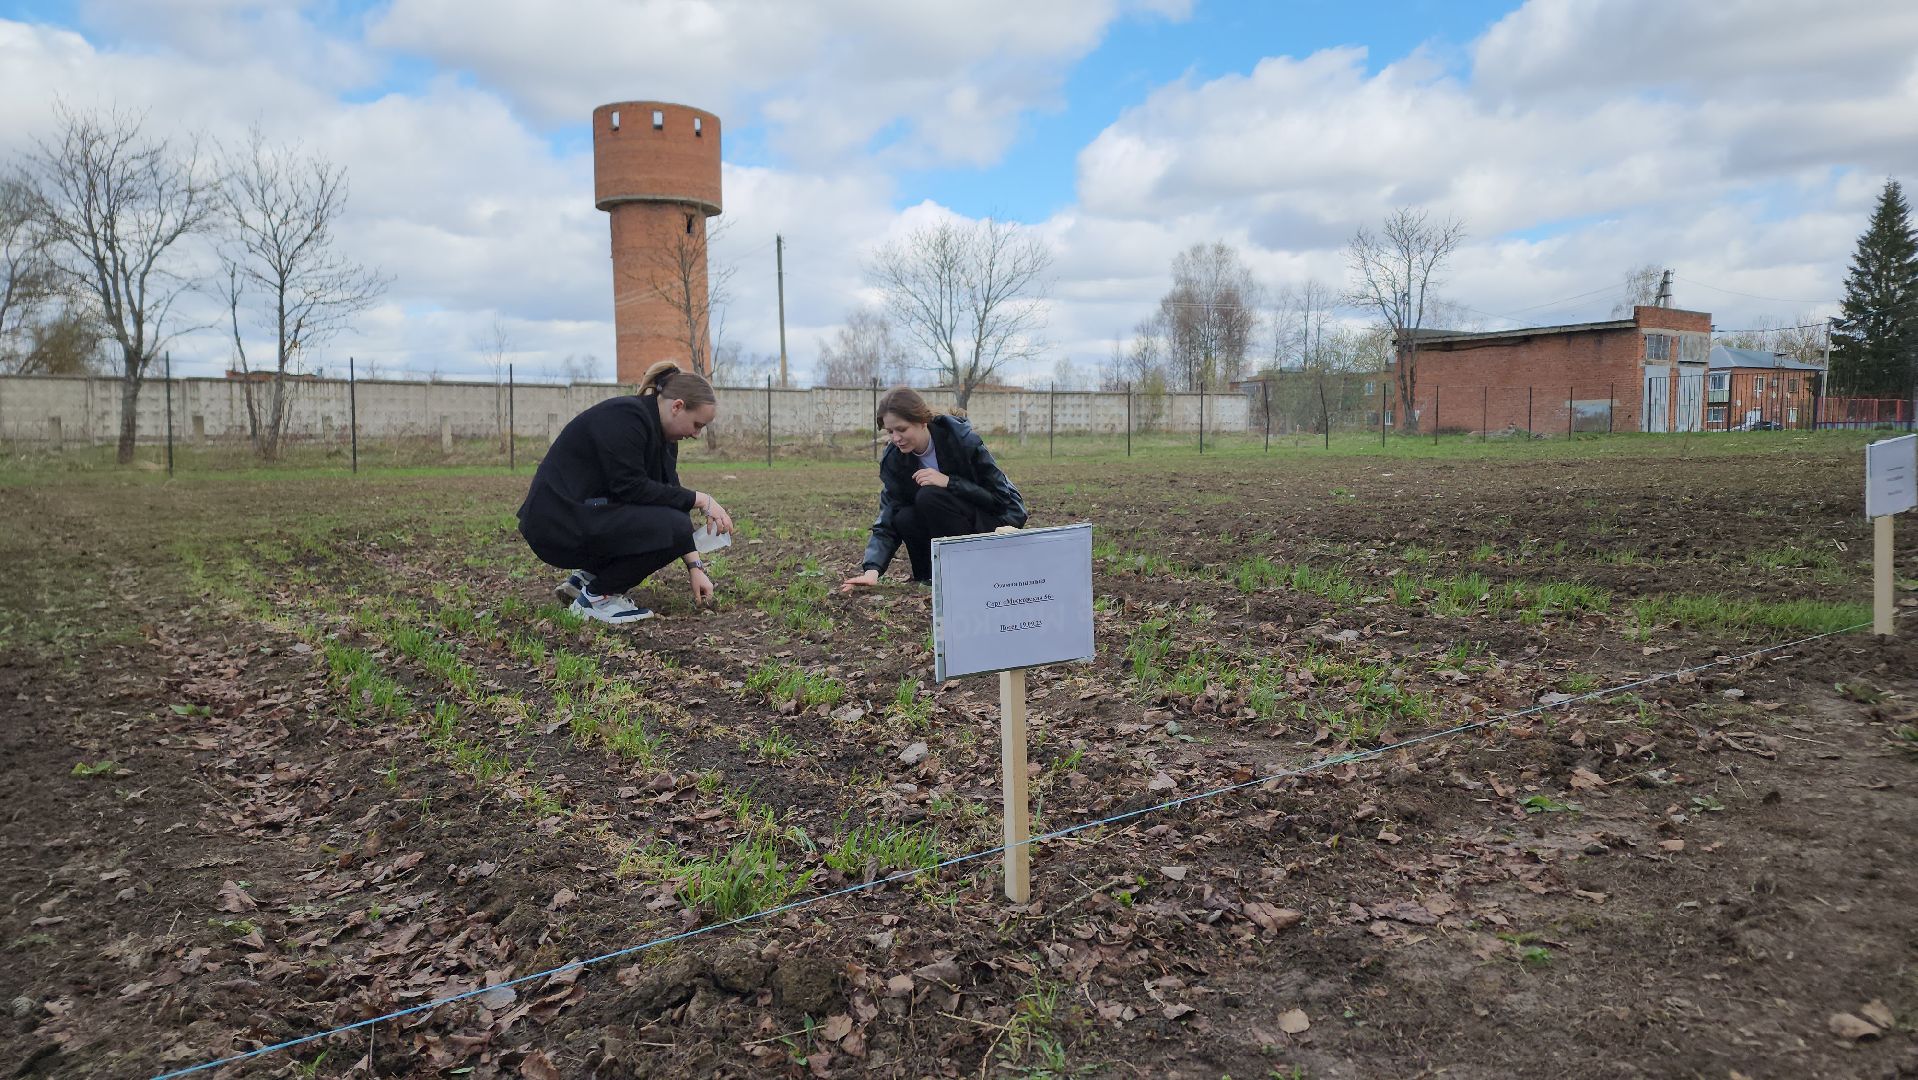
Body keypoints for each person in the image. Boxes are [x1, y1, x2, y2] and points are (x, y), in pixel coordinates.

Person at [517, 360, 734, 625]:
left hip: (578, 517)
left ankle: (586, 580)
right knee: (671, 524)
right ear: (677, 406)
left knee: (672, 520)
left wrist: (695, 567)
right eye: (697, 424)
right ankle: (598, 598)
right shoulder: (626, 417)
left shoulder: (662, 437)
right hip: (554, 525)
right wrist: (702, 499)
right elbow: (630, 487)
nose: (697, 434)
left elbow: (671, 501)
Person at [841, 386, 1027, 592]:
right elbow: (889, 515)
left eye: (902, 429)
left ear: (922, 421)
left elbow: (1000, 500)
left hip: (994, 520)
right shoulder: (894, 459)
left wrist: (950, 482)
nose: (895, 438)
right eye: (890, 431)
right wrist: (872, 571)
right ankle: (929, 578)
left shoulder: (962, 441)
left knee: (929, 496)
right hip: (951, 518)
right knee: (904, 515)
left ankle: (965, 573)